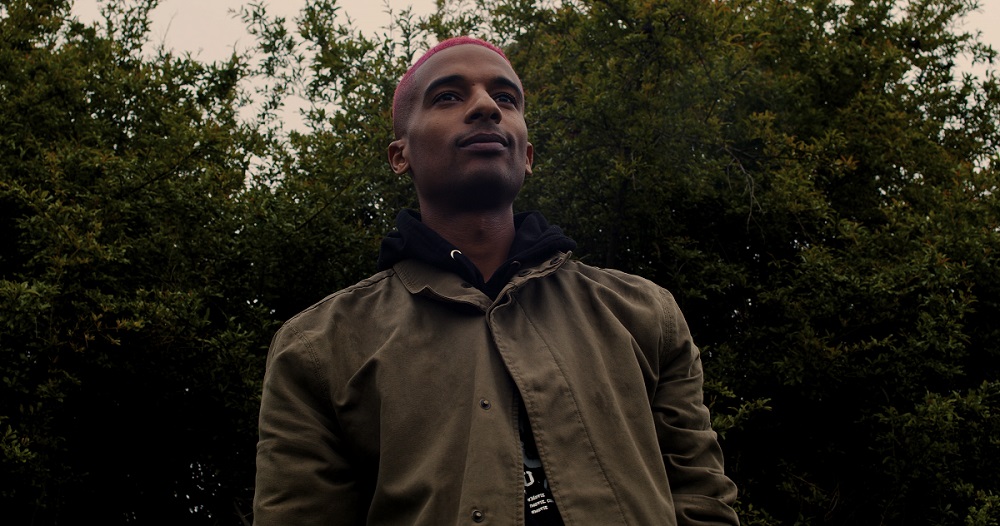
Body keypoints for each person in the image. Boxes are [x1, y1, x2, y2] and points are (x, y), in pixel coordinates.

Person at [253, 36, 739, 526]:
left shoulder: (644, 312)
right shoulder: (319, 348)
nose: (486, 106)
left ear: (527, 154)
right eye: (448, 96)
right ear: (400, 155)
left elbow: (704, 499)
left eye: (506, 98)